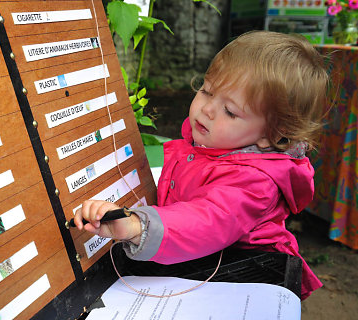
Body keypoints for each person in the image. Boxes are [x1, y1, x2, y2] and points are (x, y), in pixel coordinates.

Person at [74, 31, 329, 300]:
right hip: (201, 261)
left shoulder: (255, 181)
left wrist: (139, 227)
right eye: (207, 91)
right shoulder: (211, 144)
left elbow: (206, 220)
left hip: (242, 276)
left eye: (230, 111)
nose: (207, 109)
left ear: (271, 135)